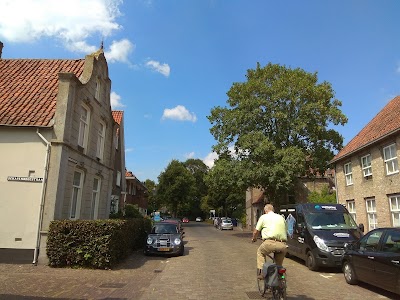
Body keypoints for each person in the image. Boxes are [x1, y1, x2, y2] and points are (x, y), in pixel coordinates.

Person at [251, 204, 287, 279]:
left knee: (260, 252)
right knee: (278, 265)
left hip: (269, 243)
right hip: (282, 244)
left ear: (265, 211)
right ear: (273, 210)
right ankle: (280, 280)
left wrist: (254, 238)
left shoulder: (264, 217)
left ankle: (262, 272)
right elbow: (285, 229)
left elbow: (256, 231)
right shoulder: (281, 217)